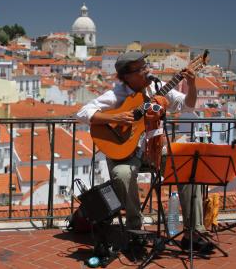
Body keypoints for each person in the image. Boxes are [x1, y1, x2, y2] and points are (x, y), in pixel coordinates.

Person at [76, 51, 213, 252]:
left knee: (187, 167)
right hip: (126, 153)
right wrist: (116, 118)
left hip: (154, 151)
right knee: (122, 174)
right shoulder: (116, 95)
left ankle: (193, 232)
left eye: (145, 65)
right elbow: (82, 113)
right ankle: (134, 229)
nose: (146, 70)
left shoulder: (158, 89)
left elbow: (188, 105)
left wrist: (192, 84)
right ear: (126, 76)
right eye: (140, 69)